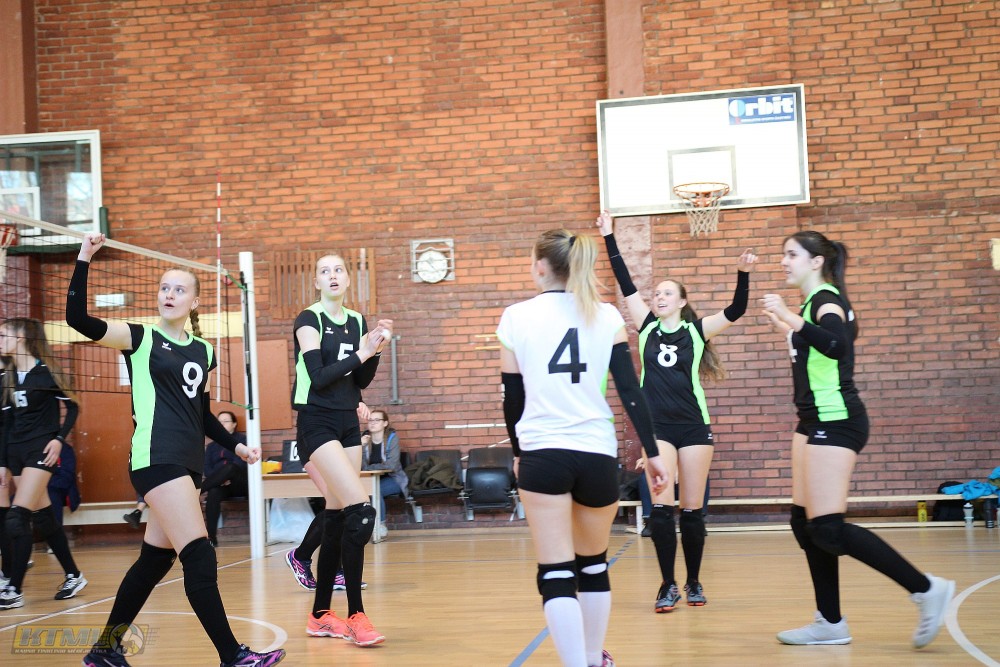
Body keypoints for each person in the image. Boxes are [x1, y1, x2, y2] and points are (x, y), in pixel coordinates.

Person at [67, 232, 284, 667]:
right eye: (164, 287)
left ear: (194, 302)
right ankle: (232, 656)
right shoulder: (138, 337)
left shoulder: (204, 351)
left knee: (154, 561)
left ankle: (104, 650)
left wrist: (237, 446)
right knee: (199, 555)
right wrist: (85, 257)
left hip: (188, 464)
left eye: (179, 289)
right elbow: (78, 319)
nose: (169, 294)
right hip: (155, 458)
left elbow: (202, 414)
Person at [761, 230, 954, 648]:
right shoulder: (812, 304)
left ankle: (926, 589)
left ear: (816, 262)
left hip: (837, 421)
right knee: (804, 523)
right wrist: (788, 328)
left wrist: (791, 319)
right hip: (811, 420)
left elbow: (837, 345)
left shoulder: (825, 300)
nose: (783, 261)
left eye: (791, 254)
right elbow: (818, 352)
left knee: (828, 529)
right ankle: (830, 623)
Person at [498, 228, 668, 667]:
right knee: (592, 564)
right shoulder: (606, 314)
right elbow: (631, 391)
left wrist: (518, 451)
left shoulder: (516, 316)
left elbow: (512, 399)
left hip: (542, 453)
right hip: (596, 453)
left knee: (555, 571)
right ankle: (594, 658)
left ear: (540, 267)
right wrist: (652, 452)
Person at [597, 210, 756, 612]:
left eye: (667, 293)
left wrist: (742, 274)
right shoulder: (646, 326)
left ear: (682, 302)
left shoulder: (696, 331)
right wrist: (609, 236)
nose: (659, 297)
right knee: (662, 509)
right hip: (659, 430)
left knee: (693, 511)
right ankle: (667, 584)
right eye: (657, 293)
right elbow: (625, 281)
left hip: (694, 427)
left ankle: (695, 581)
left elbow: (737, 309)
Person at [288, 252, 391, 647]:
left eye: (338, 270)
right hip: (316, 421)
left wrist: (375, 349)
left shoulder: (356, 320)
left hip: (348, 421)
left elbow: (359, 380)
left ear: (348, 279)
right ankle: (356, 616)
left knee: (335, 518)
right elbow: (318, 377)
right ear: (316, 281)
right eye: (324, 271)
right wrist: (362, 352)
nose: (332, 276)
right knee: (361, 513)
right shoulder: (308, 319)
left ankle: (319, 616)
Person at [0, 317, 88, 609]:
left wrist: (59, 438)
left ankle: (13, 588)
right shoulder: (7, 377)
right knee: (44, 518)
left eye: (4, 335)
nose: (0, 340)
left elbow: (73, 407)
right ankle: (74, 575)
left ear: (22, 337)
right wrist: (2, 463)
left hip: (41, 449)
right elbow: (6, 424)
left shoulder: (47, 372)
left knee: (17, 517)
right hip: (16, 452)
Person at [361, 407, 408, 540]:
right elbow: (360, 467)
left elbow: (391, 465)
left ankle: (380, 525)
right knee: (366, 490)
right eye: (370, 420)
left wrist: (370, 468)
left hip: (394, 479)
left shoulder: (392, 438)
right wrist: (361, 446)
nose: (373, 423)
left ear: (385, 423)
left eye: (377, 420)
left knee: (375, 490)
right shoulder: (364, 439)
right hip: (370, 479)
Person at [202, 410, 248, 547]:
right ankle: (211, 537)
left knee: (231, 468)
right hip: (220, 485)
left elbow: (241, 464)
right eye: (219, 422)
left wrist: (223, 476)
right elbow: (207, 469)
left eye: (226, 421)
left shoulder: (242, 440)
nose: (222, 424)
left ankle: (198, 490)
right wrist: (220, 479)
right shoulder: (211, 447)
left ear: (234, 424)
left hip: (239, 483)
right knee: (213, 492)